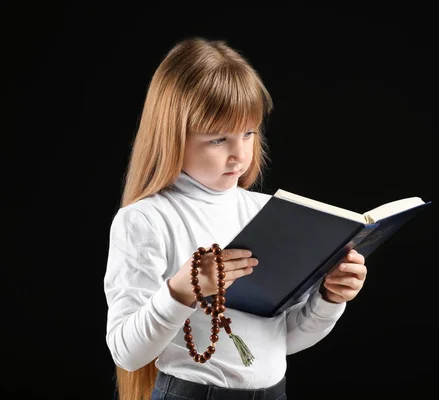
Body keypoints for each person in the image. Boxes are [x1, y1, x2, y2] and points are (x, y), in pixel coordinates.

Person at [103, 37, 368, 400]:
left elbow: (283, 341)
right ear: (172, 136)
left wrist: (328, 299)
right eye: (217, 139)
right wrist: (183, 289)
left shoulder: (265, 212)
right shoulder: (145, 219)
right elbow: (127, 353)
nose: (238, 155)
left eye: (249, 133)